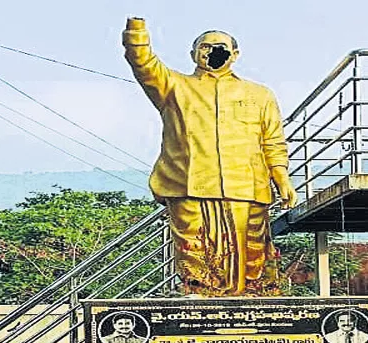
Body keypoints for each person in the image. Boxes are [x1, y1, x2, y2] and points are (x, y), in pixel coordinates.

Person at [122, 17, 297, 296]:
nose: (212, 51)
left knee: (250, 252)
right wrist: (136, 28)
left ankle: (251, 298)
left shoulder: (259, 94)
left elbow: (272, 141)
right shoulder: (173, 87)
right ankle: (199, 295)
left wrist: (282, 178)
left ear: (235, 54)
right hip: (188, 183)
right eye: (205, 46)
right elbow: (142, 63)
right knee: (195, 247)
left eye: (220, 46)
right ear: (193, 54)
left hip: (246, 186)